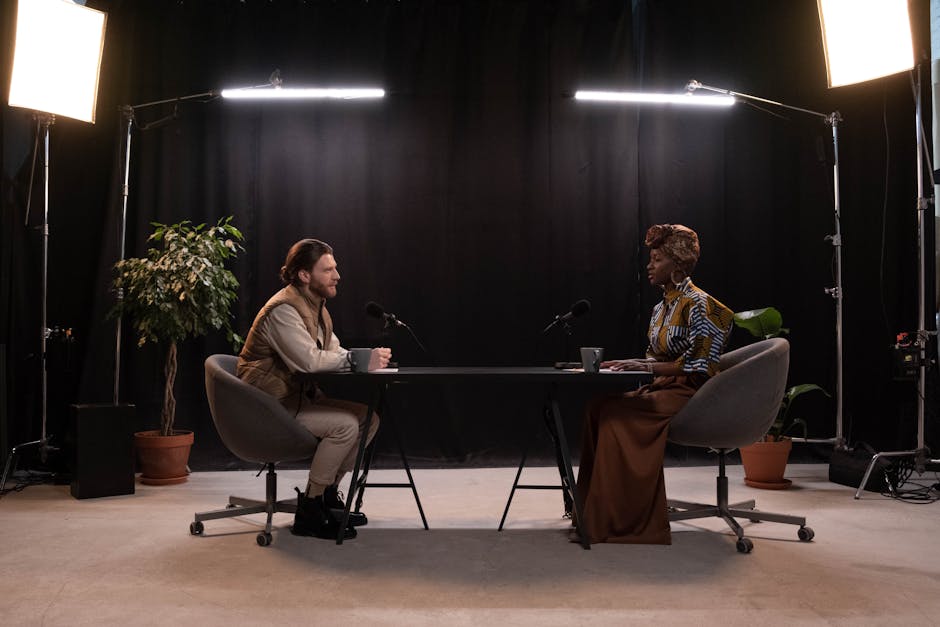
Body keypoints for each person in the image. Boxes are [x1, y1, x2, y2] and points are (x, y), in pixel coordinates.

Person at [575, 224, 733, 545]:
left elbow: (698, 364)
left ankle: (624, 523)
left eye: (657, 258)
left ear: (676, 264)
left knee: (616, 417)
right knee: (597, 407)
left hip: (694, 395)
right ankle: (592, 514)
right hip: (662, 387)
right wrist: (628, 363)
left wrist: (646, 366)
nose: (649, 265)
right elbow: (654, 358)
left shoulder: (702, 305)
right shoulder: (661, 307)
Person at [237, 238, 391, 540]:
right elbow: (308, 361)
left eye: (336, 268)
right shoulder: (283, 310)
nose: (337, 276)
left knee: (368, 419)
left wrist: (367, 360)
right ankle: (310, 509)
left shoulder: (316, 308)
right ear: (304, 275)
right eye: (328, 269)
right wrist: (357, 360)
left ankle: (326, 495)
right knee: (345, 426)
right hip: (267, 407)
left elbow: (333, 351)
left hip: (292, 401)